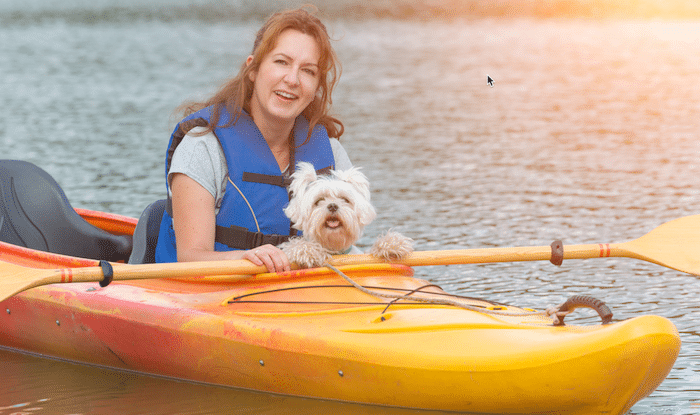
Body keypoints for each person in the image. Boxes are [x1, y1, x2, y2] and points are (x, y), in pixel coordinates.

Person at [154, 6, 353, 272]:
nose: (292, 79)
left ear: (317, 86)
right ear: (253, 69)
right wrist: (243, 258)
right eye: (281, 62)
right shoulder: (201, 148)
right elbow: (190, 256)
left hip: (301, 295)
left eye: (307, 71)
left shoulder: (332, 154)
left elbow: (347, 248)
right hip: (206, 294)